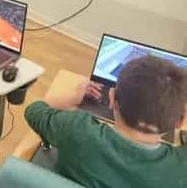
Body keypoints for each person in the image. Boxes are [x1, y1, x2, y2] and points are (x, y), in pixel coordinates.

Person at [25, 56, 187, 187]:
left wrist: (74, 97)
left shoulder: (75, 128)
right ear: (180, 120)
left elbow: (33, 110)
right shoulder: (180, 170)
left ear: (111, 99)